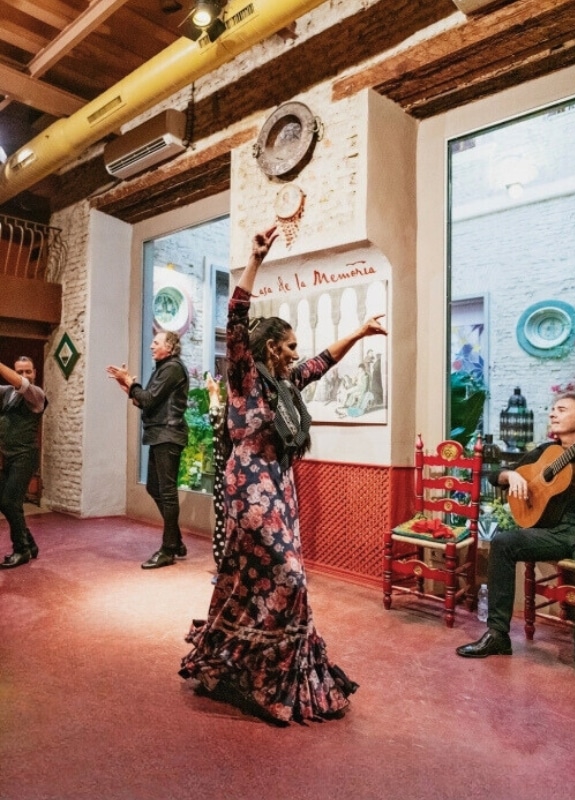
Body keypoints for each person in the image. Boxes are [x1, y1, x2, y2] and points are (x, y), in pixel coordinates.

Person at [179, 226, 387, 725]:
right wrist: (255, 260)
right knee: (288, 575)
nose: (296, 352)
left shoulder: (285, 382)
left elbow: (322, 362)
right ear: (269, 346)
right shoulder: (244, 376)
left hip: (280, 485)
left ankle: (240, 671)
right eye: (289, 345)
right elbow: (236, 316)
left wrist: (359, 333)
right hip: (249, 485)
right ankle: (262, 675)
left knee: (251, 580)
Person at [456, 391, 575, 686]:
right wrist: (513, 476)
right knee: (503, 542)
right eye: (552, 409)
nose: (552, 414)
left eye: (561, 409)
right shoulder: (548, 452)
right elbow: (495, 475)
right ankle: (498, 634)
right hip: (556, 530)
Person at [107, 330, 189, 570]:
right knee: (155, 487)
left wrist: (132, 383)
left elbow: (149, 399)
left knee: (167, 491)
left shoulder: (173, 367)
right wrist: (130, 388)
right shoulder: (163, 367)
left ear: (170, 347)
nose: (151, 346)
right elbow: (145, 400)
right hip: (159, 435)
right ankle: (176, 542)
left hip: (168, 434)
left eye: (156, 342)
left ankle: (167, 550)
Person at [0, 356, 47, 569]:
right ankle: (30, 543)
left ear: (34, 373)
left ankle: (21, 550)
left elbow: (22, 385)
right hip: (8, 456)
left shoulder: (36, 394)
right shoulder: (7, 392)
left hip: (25, 456)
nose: (24, 375)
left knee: (10, 502)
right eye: (20, 371)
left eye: (28, 371)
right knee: (7, 502)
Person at [205, 372, 229, 570]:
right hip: (235, 476)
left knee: (223, 520)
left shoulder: (223, 415)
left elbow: (214, 414)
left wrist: (214, 393)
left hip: (226, 477)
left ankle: (223, 566)